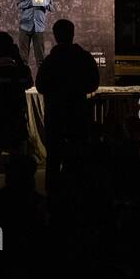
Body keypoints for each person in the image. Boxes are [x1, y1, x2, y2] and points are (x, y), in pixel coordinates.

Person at [35, 19, 100, 222]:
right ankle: (78, 198)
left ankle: (53, 201)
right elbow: (93, 83)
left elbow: (41, 86)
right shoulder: (83, 58)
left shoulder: (50, 60)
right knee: (78, 157)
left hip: (55, 114)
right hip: (78, 114)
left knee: (54, 160)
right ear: (73, 33)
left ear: (55, 36)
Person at [0, 31, 34, 197]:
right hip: (16, 124)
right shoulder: (19, 72)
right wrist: (18, 58)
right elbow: (28, 82)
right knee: (19, 169)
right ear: (12, 49)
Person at [17, 0, 53, 67]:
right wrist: (31, 2)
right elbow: (18, 5)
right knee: (22, 58)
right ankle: (22, 81)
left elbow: (52, 7)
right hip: (24, 26)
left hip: (39, 27)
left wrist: (43, 2)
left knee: (41, 58)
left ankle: (42, 81)